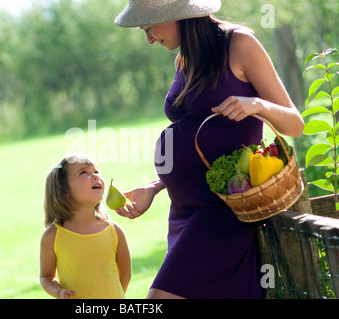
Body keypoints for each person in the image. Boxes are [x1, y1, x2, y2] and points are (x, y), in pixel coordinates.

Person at [114, 0, 304, 299]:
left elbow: (295, 125)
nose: (149, 39)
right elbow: (203, 141)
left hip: (222, 210)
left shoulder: (239, 43)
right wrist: (155, 186)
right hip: (184, 211)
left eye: (149, 28)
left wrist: (258, 105)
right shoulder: (185, 59)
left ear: (177, 15)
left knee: (160, 298)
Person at [40, 153, 132, 299]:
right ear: (65, 191)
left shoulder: (114, 231)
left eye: (96, 171)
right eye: (84, 172)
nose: (95, 176)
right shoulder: (53, 236)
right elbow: (46, 277)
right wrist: (58, 292)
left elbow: (126, 274)